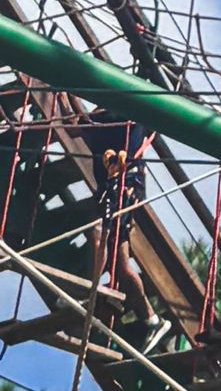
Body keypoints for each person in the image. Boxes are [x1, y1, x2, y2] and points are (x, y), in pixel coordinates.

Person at [82, 108, 157, 326]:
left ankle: (90, 292)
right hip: (116, 186)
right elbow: (78, 124)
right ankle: (151, 318)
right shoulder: (98, 119)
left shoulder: (130, 114)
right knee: (122, 263)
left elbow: (79, 125)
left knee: (98, 233)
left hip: (124, 185)